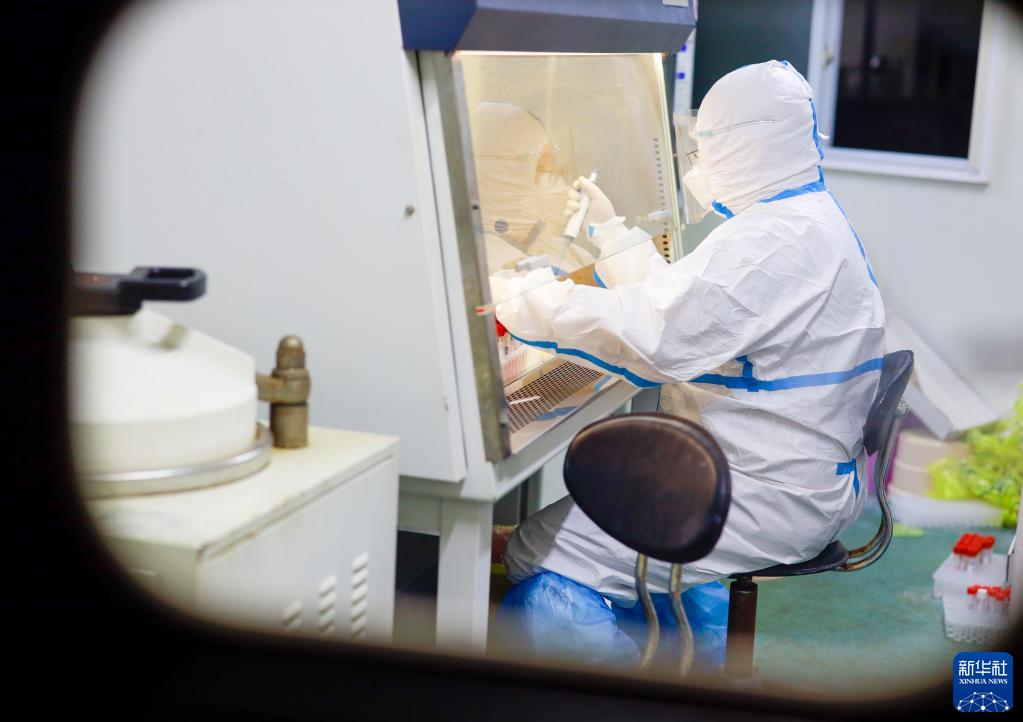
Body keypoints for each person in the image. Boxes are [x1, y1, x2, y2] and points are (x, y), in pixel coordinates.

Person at [494, 61, 885, 651]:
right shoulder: (798, 218)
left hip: (766, 491)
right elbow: (685, 305)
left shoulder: (773, 241)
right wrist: (610, 231)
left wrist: (519, 298)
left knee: (538, 551)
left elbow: (659, 336)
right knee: (580, 540)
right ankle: (698, 662)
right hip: (795, 475)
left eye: (706, 146)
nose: (697, 163)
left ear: (744, 145)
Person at [468, 101, 597, 277]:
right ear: (500, 182)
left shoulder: (565, 252)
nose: (560, 180)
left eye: (555, 165)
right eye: (543, 168)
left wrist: (610, 237)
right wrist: (613, 234)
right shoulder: (488, 271)